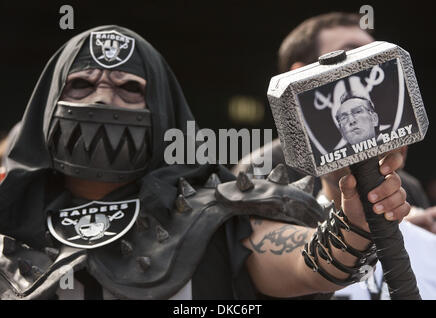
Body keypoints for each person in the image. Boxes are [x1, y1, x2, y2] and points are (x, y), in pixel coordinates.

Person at [0, 25, 407, 300]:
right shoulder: (7, 217)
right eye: (82, 84)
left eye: (129, 89)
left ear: (161, 110)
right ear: (49, 106)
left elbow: (310, 264)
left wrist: (352, 221)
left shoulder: (212, 212)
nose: (103, 100)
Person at [234, 12, 436, 299]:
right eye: (350, 51)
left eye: (370, 51)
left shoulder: (405, 182)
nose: (365, 62)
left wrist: (409, 230)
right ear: (300, 72)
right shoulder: (260, 168)